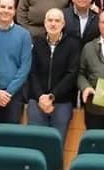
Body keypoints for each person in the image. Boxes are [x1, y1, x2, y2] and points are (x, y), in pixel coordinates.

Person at [27, 8, 80, 143]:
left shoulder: (73, 44)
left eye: (57, 21)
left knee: (56, 144)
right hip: (37, 100)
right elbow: (32, 73)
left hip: (62, 101)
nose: (53, 24)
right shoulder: (37, 42)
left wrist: (52, 96)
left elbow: (72, 74)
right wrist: (41, 97)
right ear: (44, 23)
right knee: (35, 142)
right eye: (50, 20)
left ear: (63, 24)